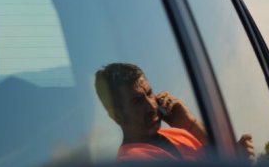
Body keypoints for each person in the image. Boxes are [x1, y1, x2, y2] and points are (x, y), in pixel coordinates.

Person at [95, 63, 254, 161]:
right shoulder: (131, 164)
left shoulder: (180, 134)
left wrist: (189, 123)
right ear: (117, 116)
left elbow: (222, 158)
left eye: (149, 93)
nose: (151, 106)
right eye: (137, 101)